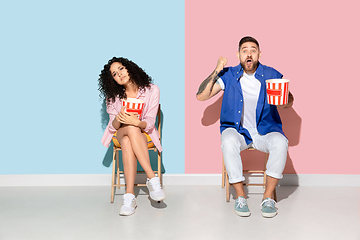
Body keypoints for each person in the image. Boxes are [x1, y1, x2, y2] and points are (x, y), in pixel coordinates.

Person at [196, 36, 294, 218]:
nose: (249, 53)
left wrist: (285, 99)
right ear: (238, 54)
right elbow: (201, 96)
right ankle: (240, 196)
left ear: (259, 54)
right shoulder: (229, 75)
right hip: (238, 131)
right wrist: (216, 70)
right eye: (245, 50)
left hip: (265, 130)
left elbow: (289, 101)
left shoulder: (271, 73)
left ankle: (268, 198)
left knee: (281, 142)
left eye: (253, 50)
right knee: (228, 139)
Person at [99, 57, 165, 216]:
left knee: (130, 137)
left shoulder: (152, 90)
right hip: (119, 132)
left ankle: (129, 197)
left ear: (129, 67)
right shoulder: (113, 96)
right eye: (114, 74)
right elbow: (112, 127)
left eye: (121, 68)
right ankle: (152, 178)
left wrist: (136, 121)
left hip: (142, 134)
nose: (119, 74)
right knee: (128, 128)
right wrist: (118, 119)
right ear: (112, 80)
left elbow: (149, 121)